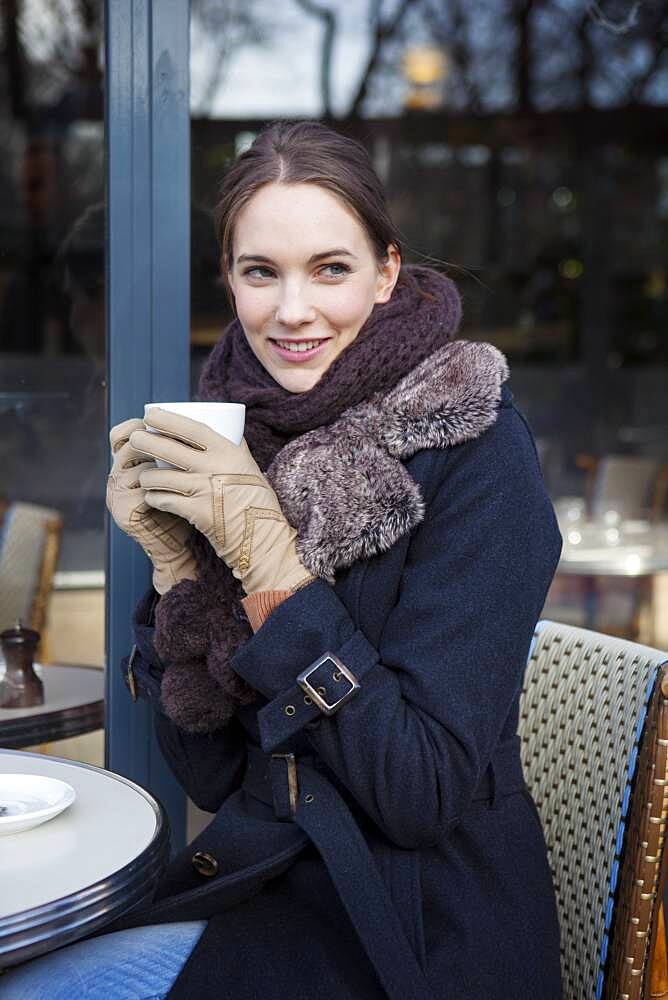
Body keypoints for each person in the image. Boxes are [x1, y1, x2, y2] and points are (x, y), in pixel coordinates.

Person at [1, 120, 563, 1000]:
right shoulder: (247, 436)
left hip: (418, 935)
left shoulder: (476, 451)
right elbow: (215, 774)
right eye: (260, 271)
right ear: (229, 281)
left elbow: (420, 792)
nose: (292, 311)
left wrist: (266, 556)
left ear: (385, 272)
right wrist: (177, 573)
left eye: (330, 269)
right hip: (268, 898)